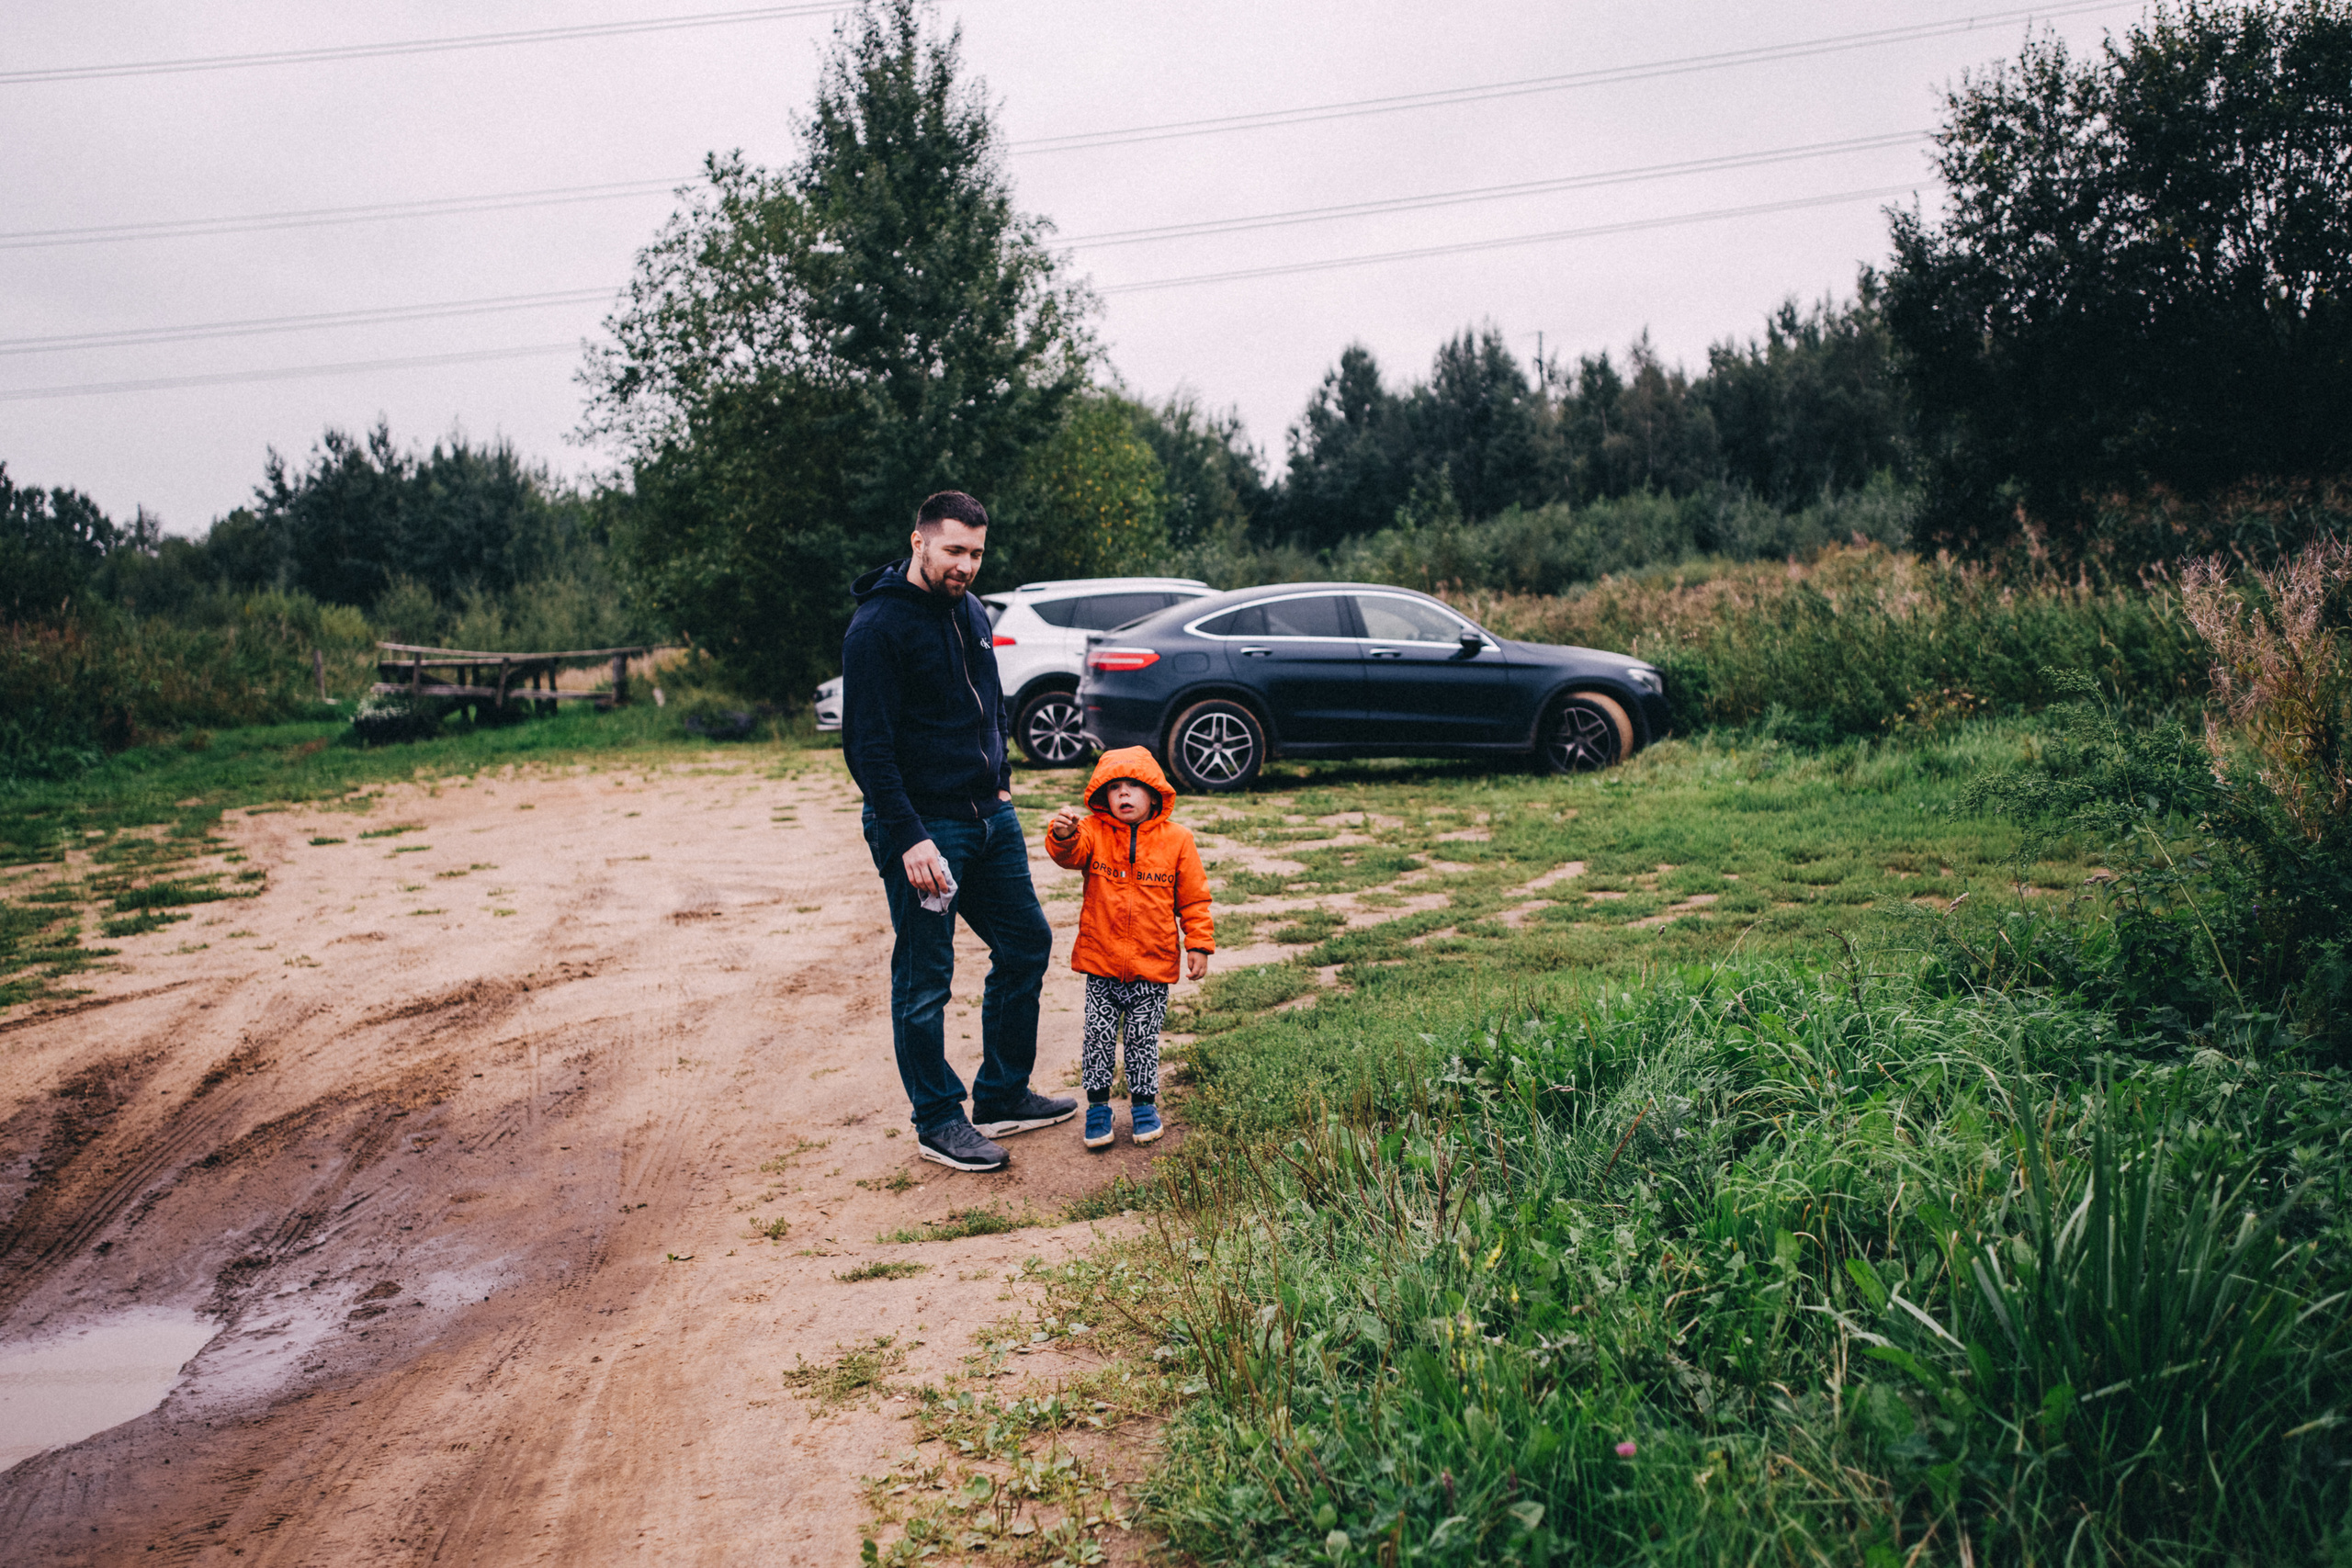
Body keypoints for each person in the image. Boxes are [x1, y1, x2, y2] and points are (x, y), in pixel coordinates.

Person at [842, 491, 1075, 1173]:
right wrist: (911, 836)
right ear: (918, 542)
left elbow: (991, 700)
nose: (966, 565)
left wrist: (1000, 780)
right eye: (954, 550)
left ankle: (1001, 1094)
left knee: (1026, 942)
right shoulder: (877, 627)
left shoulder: (970, 609)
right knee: (925, 978)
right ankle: (937, 1118)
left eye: (976, 552)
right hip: (923, 827)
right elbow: (868, 748)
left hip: (987, 815)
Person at [1043, 747, 1214, 1148]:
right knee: (1098, 1037)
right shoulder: (1093, 833)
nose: (1124, 795)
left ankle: (1143, 1105)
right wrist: (1063, 834)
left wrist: (1199, 943)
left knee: (1142, 1038)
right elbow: (1069, 855)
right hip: (1101, 962)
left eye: (1133, 787)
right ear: (1103, 796)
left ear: (1154, 794)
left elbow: (1194, 899)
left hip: (1152, 966)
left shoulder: (1178, 840)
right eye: (1115, 788)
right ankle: (1098, 1107)